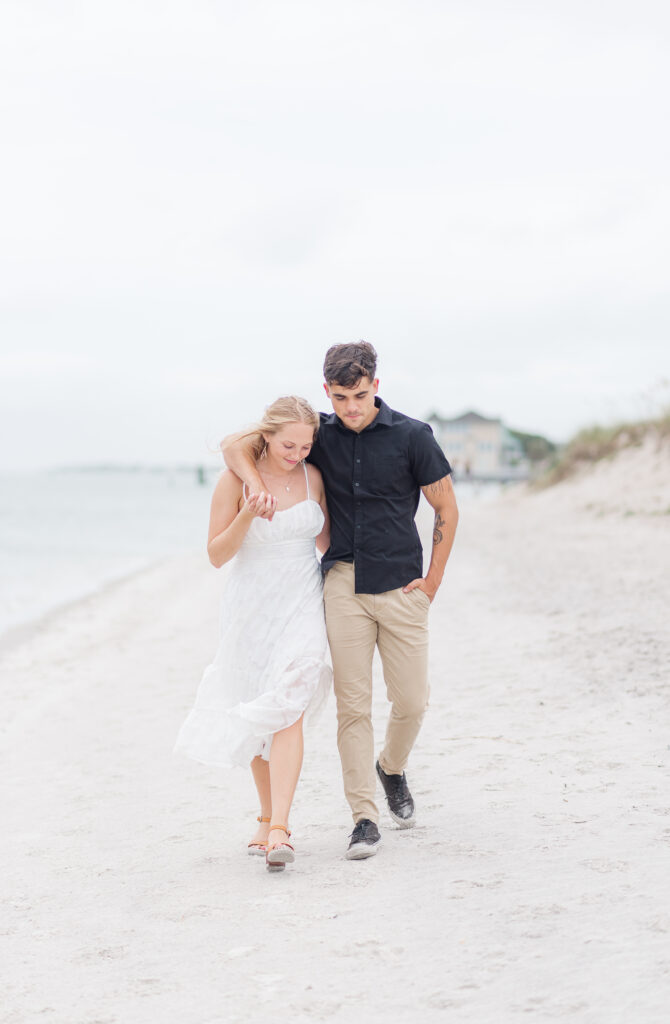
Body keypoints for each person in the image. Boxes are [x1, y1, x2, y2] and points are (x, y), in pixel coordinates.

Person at [222, 342, 458, 860]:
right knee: (353, 707)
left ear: (376, 385)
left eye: (359, 394)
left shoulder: (413, 436)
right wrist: (256, 486)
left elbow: (445, 506)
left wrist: (433, 580)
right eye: (340, 396)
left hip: (401, 585)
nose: (350, 406)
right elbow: (234, 444)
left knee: (412, 702)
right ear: (325, 391)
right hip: (342, 586)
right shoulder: (316, 435)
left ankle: (391, 768)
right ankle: (364, 819)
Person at [174, 396, 332, 872]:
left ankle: (281, 827)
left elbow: (326, 542)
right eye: (289, 444)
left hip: (302, 597)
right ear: (265, 435)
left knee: (290, 702)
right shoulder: (233, 481)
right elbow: (217, 555)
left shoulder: (314, 477)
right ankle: (264, 815)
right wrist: (247, 513)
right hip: (251, 606)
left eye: (306, 445)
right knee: (260, 706)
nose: (298, 454)